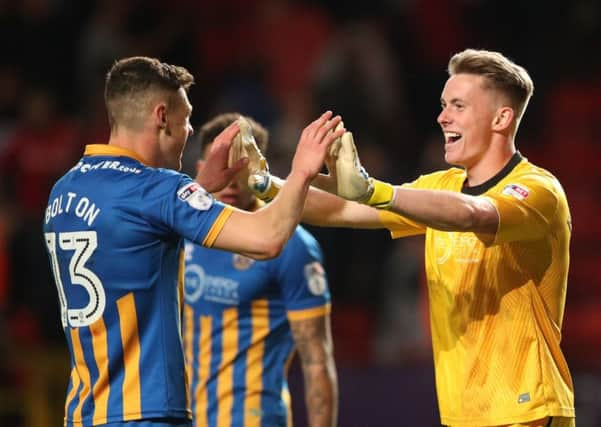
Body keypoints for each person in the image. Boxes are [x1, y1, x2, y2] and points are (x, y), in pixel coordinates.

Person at [245, 49, 575, 427]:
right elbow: (344, 209)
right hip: (463, 413)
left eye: (458, 105)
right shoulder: (439, 186)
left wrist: (373, 190)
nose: (442, 116)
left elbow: (474, 214)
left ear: (502, 118)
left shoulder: (538, 189)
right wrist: (268, 185)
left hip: (526, 410)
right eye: (442, 104)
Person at [42, 56, 344, 427]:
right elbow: (267, 239)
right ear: (161, 117)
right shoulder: (158, 189)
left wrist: (198, 191)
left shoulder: (64, 190)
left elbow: (131, 234)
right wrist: (302, 171)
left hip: (85, 412)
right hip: (148, 412)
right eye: (185, 119)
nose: (188, 131)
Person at [182, 113, 337, 427]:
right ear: (201, 170)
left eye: (242, 165)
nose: (231, 178)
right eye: (221, 165)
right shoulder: (182, 237)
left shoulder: (292, 246)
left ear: (260, 169)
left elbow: (316, 360)